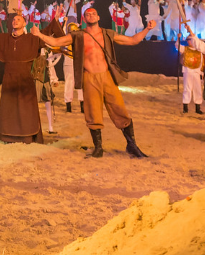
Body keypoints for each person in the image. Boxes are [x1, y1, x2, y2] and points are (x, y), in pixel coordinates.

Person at [33, 9, 156, 158]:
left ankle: (132, 145)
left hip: (107, 77)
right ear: (84, 19)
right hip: (89, 78)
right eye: (87, 14)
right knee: (93, 114)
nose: (90, 15)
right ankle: (98, 148)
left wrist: (147, 29)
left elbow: (132, 40)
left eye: (93, 13)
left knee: (119, 110)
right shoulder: (77, 35)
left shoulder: (107, 34)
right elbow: (56, 42)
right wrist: (39, 34)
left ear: (98, 16)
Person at [0, 11, 45, 144]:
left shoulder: (31, 39)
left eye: (19, 19)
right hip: (9, 79)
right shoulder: (4, 39)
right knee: (9, 110)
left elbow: (49, 37)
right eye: (14, 20)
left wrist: (59, 20)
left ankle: (27, 137)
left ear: (24, 23)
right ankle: (8, 137)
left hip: (25, 81)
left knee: (25, 109)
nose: (15, 21)